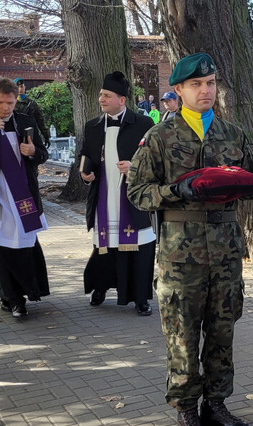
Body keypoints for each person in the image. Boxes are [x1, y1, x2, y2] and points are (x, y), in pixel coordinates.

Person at [128, 52, 253, 426]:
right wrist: (174, 191)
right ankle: (185, 408)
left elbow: (249, 180)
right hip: (181, 256)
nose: (206, 90)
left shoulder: (233, 135)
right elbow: (137, 191)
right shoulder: (159, 137)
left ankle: (215, 405)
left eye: (211, 83)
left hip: (226, 251)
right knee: (182, 334)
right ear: (179, 90)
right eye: (197, 85)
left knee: (222, 331)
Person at [0, 76, 49, 318]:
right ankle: (14, 299)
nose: (6, 108)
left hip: (23, 197)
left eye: (11, 103)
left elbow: (43, 154)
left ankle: (22, 292)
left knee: (23, 245)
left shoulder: (25, 121)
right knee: (0, 248)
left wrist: (34, 151)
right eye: (1, 102)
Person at [79, 71, 156, 316]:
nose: (101, 99)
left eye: (107, 95)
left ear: (121, 100)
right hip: (104, 195)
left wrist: (135, 167)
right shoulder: (92, 126)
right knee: (106, 247)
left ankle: (141, 298)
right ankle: (100, 288)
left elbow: (157, 161)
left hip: (132, 198)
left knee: (139, 248)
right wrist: (85, 173)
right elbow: (86, 155)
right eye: (101, 95)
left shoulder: (143, 125)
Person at [13, 78, 49, 147]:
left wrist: (46, 136)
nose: (20, 89)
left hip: (30, 134)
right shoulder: (11, 103)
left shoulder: (32, 103)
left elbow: (40, 121)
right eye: (17, 87)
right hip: (15, 134)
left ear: (24, 87)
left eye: (21, 86)